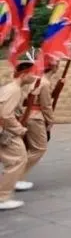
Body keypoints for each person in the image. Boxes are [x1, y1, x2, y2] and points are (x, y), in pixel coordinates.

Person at [0, 57, 38, 210]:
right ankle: (3, 197)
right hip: (6, 131)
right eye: (33, 73)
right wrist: (19, 129)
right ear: (24, 74)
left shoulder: (11, 88)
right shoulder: (14, 90)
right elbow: (6, 115)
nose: (35, 77)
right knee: (17, 160)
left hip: (5, 129)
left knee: (14, 160)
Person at [18, 56, 57, 191]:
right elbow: (46, 105)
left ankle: (17, 176)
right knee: (39, 148)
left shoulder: (34, 79)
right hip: (35, 117)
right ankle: (17, 176)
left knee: (28, 147)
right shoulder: (44, 82)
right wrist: (50, 121)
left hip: (26, 115)